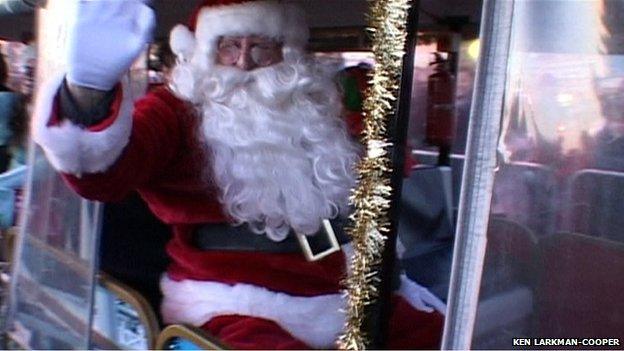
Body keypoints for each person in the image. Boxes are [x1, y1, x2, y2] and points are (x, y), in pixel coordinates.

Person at [32, 0, 444, 349]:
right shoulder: (175, 112)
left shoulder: (314, 109)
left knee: (451, 334)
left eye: (260, 48)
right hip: (235, 303)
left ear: (287, 55)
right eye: (229, 47)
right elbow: (104, 172)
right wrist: (88, 93)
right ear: (205, 53)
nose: (244, 62)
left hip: (344, 288)